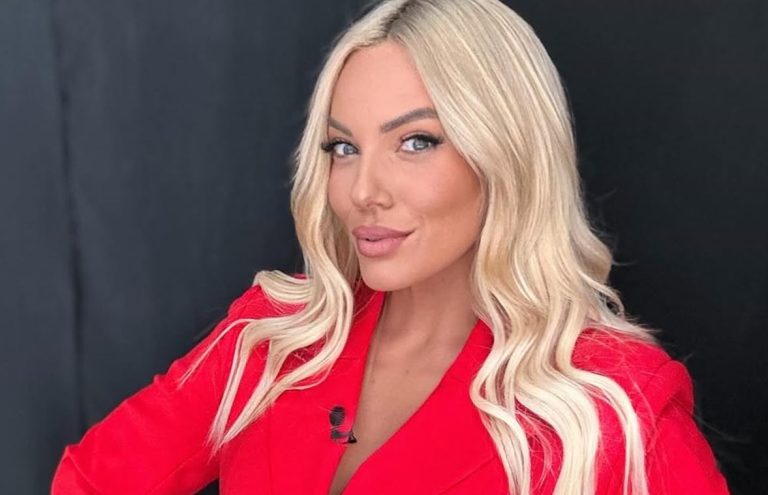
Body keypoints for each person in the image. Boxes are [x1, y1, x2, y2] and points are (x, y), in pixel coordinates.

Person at [52, 0, 730, 493]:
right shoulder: (272, 340)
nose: (362, 191)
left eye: (416, 142)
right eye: (343, 148)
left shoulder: (613, 403)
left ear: (506, 155)